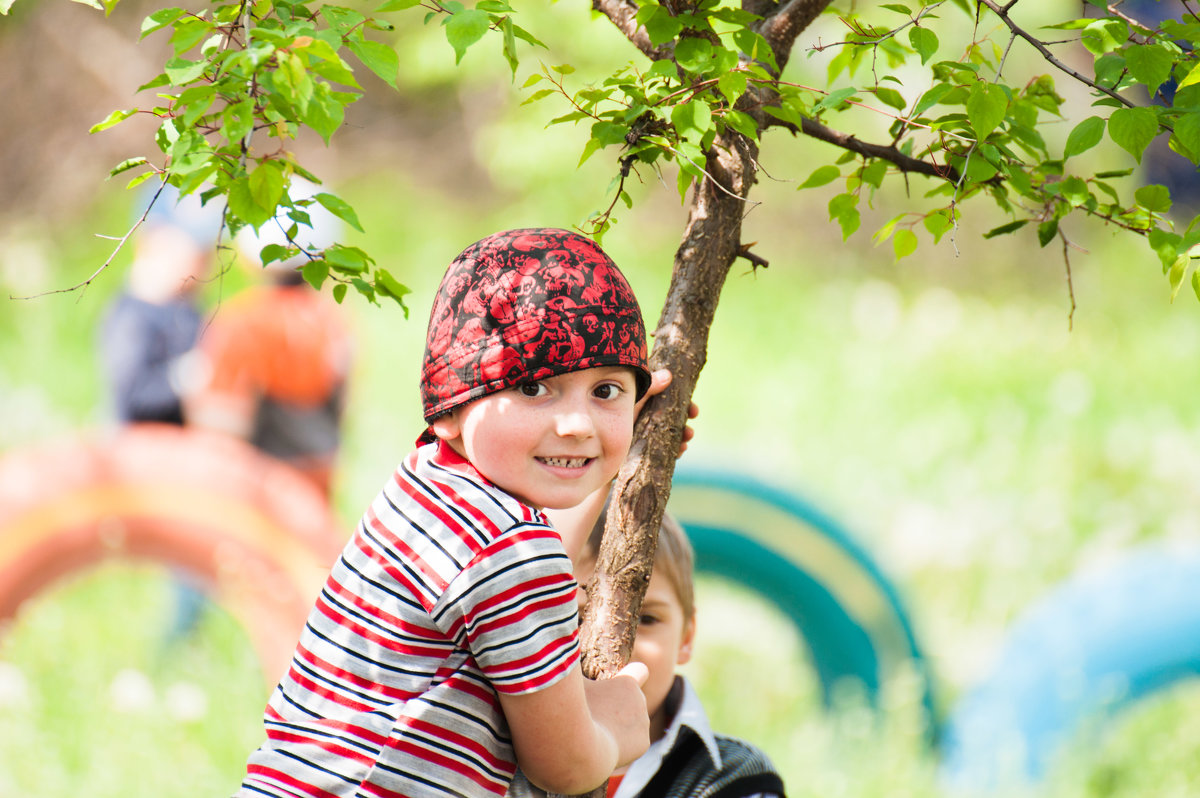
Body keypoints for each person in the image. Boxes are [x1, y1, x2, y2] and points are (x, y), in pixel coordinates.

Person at [236, 227, 666, 798]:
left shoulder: (428, 487)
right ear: (450, 409)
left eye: (607, 392)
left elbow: (513, 569)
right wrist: (611, 729)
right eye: (537, 387)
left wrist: (619, 455)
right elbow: (564, 767)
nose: (578, 425)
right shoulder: (510, 551)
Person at [511, 503, 786, 798]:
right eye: (577, 618)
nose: (615, 646)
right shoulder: (490, 760)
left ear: (686, 637)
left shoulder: (731, 778)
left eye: (647, 619)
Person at [184, 182, 353, 497]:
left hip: (256, 498)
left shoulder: (241, 322)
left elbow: (219, 431)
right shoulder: (334, 322)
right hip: (315, 493)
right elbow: (341, 410)